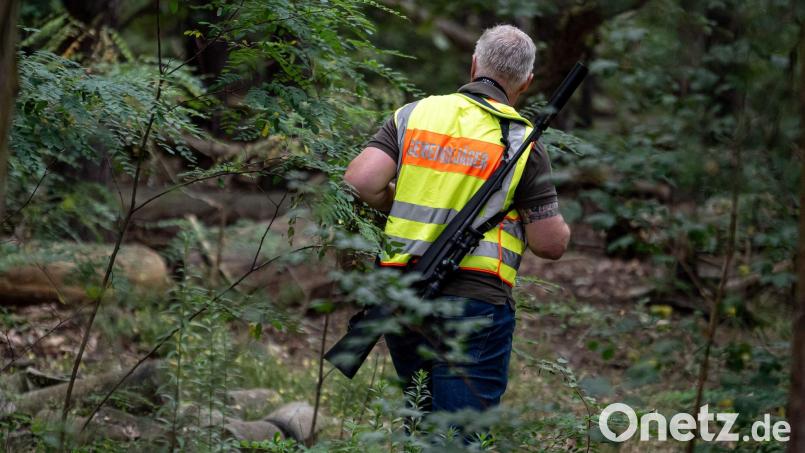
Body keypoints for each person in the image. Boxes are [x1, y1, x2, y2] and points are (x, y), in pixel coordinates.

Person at [343, 24, 571, 415]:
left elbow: (360, 182)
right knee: (458, 434)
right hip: (476, 300)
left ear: (473, 66)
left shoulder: (415, 114)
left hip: (403, 294)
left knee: (421, 422)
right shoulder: (522, 142)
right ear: (527, 82)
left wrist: (395, 201)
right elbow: (550, 244)